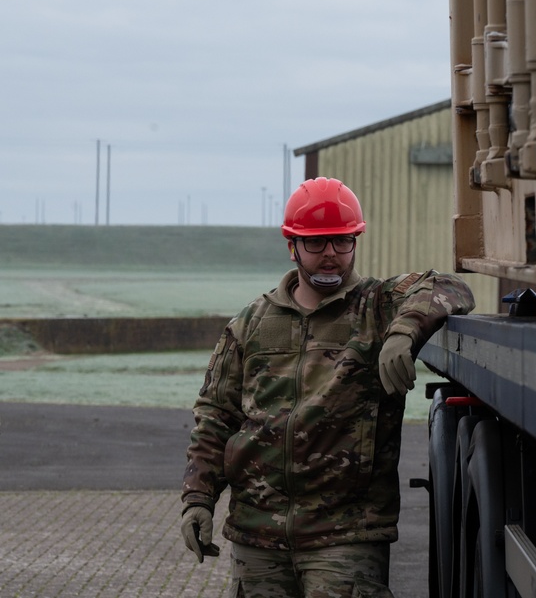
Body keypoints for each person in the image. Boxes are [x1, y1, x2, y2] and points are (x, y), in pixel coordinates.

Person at [180, 177, 475, 597]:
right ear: (292, 246)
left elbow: (451, 287)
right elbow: (215, 417)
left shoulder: (378, 306)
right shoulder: (251, 324)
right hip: (257, 538)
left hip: (346, 538)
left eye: (341, 242)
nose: (331, 255)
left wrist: (403, 331)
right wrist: (198, 499)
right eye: (317, 244)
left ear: (355, 241)